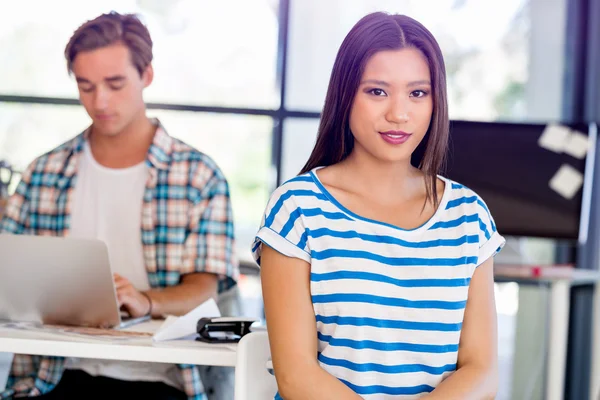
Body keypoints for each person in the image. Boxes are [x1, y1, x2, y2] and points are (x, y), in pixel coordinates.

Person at [252, 12, 504, 399]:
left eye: (417, 93)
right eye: (377, 91)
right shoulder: (297, 209)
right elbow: (296, 376)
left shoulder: (468, 217)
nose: (398, 114)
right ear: (345, 95)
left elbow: (482, 371)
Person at [0, 12, 238, 400]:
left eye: (115, 83)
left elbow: (204, 287)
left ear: (146, 75)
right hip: (55, 374)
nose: (100, 101)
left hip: (158, 378)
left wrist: (145, 301)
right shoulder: (43, 173)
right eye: (86, 86)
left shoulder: (198, 176)